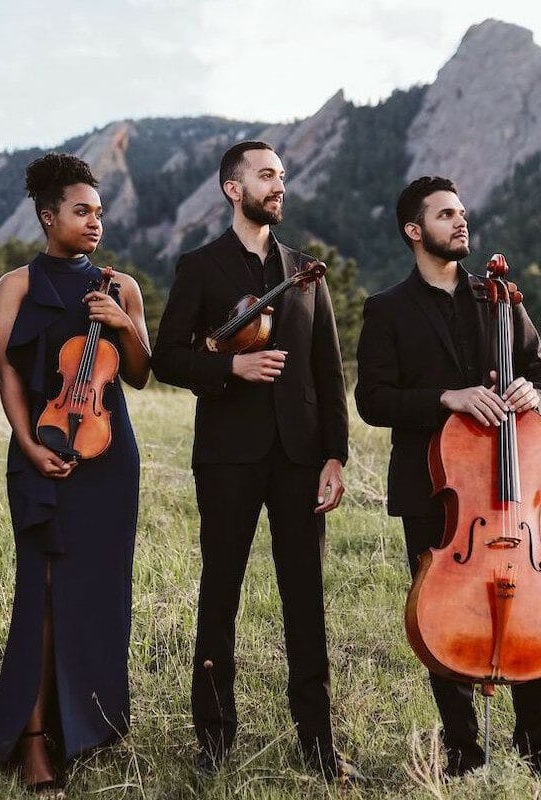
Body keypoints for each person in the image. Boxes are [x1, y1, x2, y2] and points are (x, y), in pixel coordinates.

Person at [354, 175, 541, 793]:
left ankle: (540, 753)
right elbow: (372, 399)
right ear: (415, 230)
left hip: (508, 490)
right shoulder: (388, 309)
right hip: (435, 487)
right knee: (443, 611)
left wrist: (532, 393)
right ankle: (465, 755)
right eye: (445, 215)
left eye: (462, 213)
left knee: (527, 594)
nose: (460, 223)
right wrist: (447, 397)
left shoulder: (499, 298)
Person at [150, 140, 358, 783]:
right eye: (266, 176)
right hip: (228, 458)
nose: (279, 186)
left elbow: (327, 369)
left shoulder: (304, 271)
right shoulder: (201, 266)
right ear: (232, 189)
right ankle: (214, 742)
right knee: (221, 595)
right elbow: (167, 358)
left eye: (282, 177)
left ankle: (318, 745)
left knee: (305, 599)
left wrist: (334, 455)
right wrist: (230, 367)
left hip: (301, 458)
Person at [0, 153, 152, 796]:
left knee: (97, 591)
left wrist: (124, 326)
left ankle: (84, 727)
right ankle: (35, 738)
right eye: (81, 210)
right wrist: (26, 443)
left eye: (100, 211)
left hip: (108, 458)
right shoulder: (15, 285)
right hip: (40, 450)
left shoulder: (121, 287)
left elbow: (142, 372)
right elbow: (7, 373)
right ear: (48, 216)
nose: (96, 221)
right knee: (39, 594)